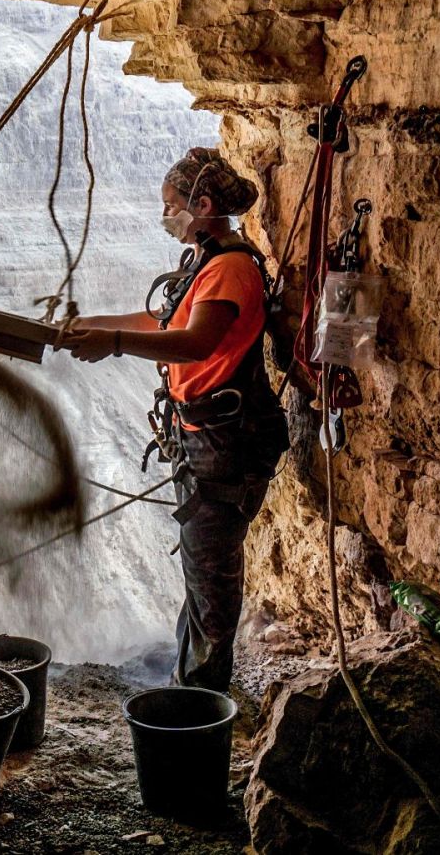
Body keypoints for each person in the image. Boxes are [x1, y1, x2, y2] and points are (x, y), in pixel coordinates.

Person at [57, 147, 289, 692]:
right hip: (205, 436)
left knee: (210, 578)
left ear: (201, 204)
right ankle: (192, 688)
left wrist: (114, 343)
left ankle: (200, 704)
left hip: (227, 442)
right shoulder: (205, 261)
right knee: (200, 570)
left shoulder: (230, 268)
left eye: (170, 205)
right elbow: (164, 320)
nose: (165, 215)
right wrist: (90, 324)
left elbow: (195, 342)